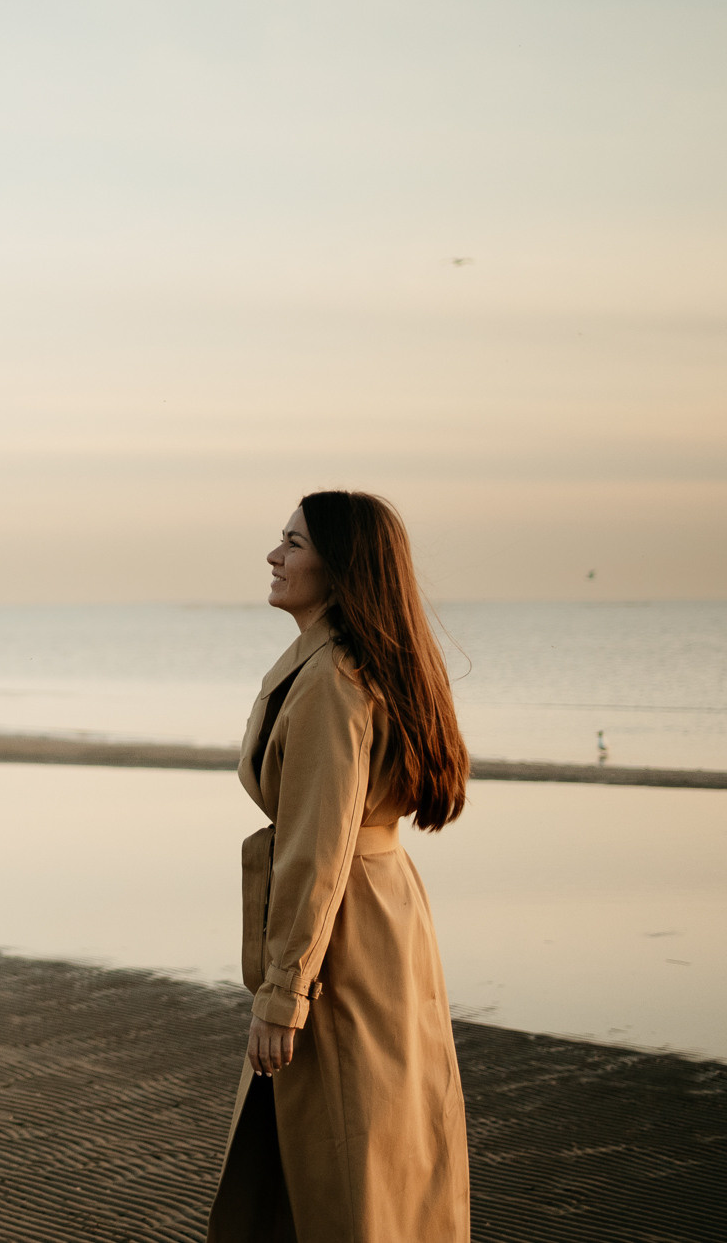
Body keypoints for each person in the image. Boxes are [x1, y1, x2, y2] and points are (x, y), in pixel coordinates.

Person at [209, 491, 472, 1242]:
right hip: (384, 917)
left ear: (340, 566)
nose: (273, 555)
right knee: (381, 1145)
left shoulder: (330, 681)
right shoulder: (359, 663)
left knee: (350, 1158)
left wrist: (283, 994)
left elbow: (316, 848)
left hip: (342, 933)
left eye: (292, 542)